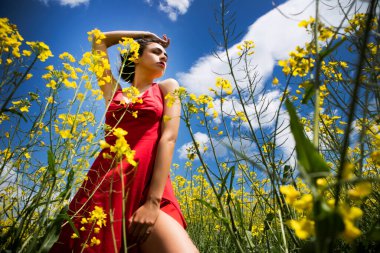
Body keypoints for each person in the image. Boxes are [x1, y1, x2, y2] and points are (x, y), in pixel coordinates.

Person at [49, 31, 199, 253]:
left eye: (165, 54)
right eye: (156, 51)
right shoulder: (113, 93)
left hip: (149, 190)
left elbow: (169, 138)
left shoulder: (167, 86)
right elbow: (99, 40)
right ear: (136, 57)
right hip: (104, 189)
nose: (164, 56)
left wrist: (152, 203)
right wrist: (146, 35)